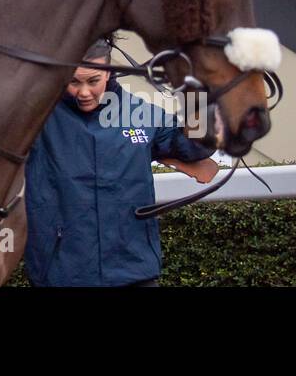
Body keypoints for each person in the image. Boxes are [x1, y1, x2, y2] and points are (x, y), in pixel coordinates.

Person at [24, 40, 218, 287]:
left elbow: (194, 147)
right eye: (74, 82)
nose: (83, 92)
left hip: (135, 271)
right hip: (60, 274)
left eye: (93, 81)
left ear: (108, 72)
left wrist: (196, 94)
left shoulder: (142, 113)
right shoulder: (35, 118)